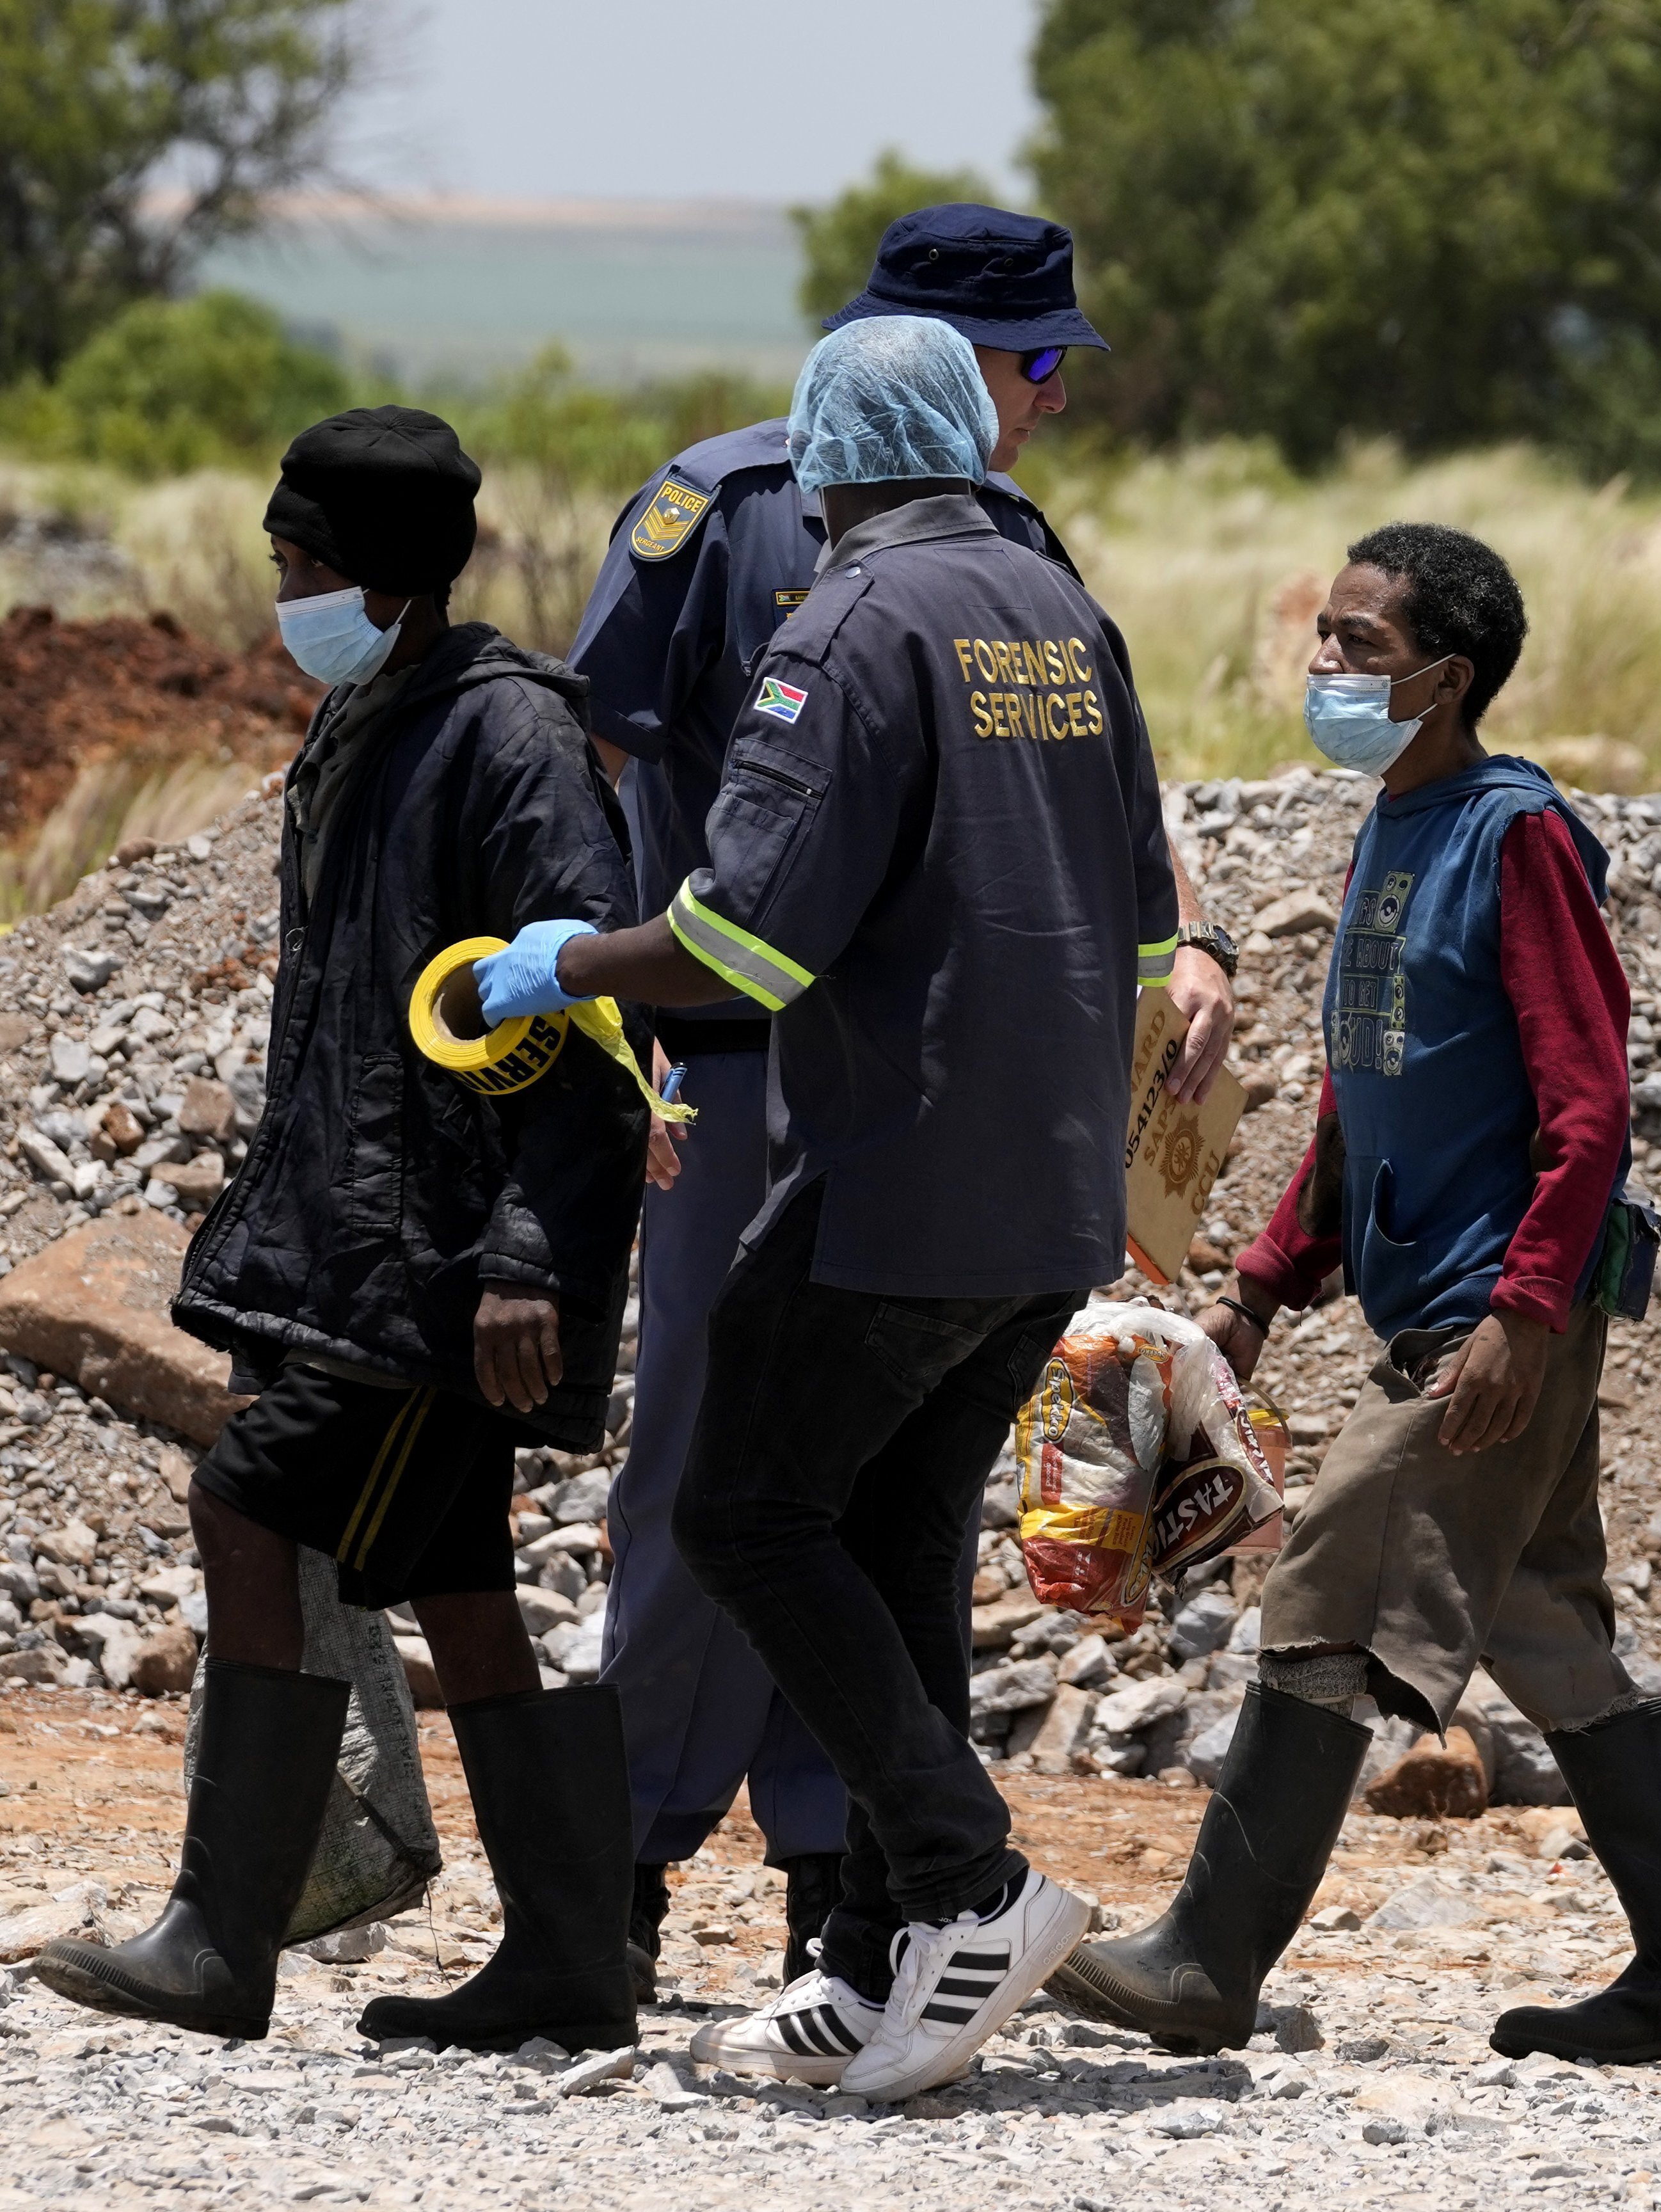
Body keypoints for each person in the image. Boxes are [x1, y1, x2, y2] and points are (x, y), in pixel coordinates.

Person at [438, 316, 1169, 2099]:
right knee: (897, 1522)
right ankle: (872, 1950)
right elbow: (1148, 911)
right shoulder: (1060, 609)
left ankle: (968, 1876)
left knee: (749, 1509)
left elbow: (742, 938)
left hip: (896, 1170)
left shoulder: (842, 627)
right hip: (1053, 1176)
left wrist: (557, 970)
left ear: (826, 455)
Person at [566, 201, 1238, 1997]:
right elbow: (608, 761)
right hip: (737, 1060)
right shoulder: (727, 509)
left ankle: (854, 1890)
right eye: (1034, 365)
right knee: (718, 1466)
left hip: (891, 1080)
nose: (1053, 404)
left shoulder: (999, 550)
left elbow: (1094, 792)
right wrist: (590, 986)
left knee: (840, 1503)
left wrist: (1190, 945)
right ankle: (623, 1867)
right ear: (929, 357)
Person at [1047, 525, 1661, 2067]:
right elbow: (1366, 1101)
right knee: (1556, 1637)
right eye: (1326, 633)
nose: (1326, 665)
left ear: (1450, 678)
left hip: (1496, 1327)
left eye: (1361, 645)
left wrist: (1526, 1307)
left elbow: (1590, 1105)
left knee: (1326, 1585)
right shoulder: (1392, 825)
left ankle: (1207, 1958)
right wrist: (1264, 1288)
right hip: (1437, 1305)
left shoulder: (1516, 838)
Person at [31, 408, 649, 2052]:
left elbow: (595, 1023)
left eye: (302, 566)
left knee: (249, 1503)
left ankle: (222, 1936)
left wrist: (531, 1256)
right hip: (380, 1255)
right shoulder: (374, 714)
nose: (283, 593)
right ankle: (576, 1960)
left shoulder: (507, 740)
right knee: (454, 1581)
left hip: (441, 1274)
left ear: (377, 579)